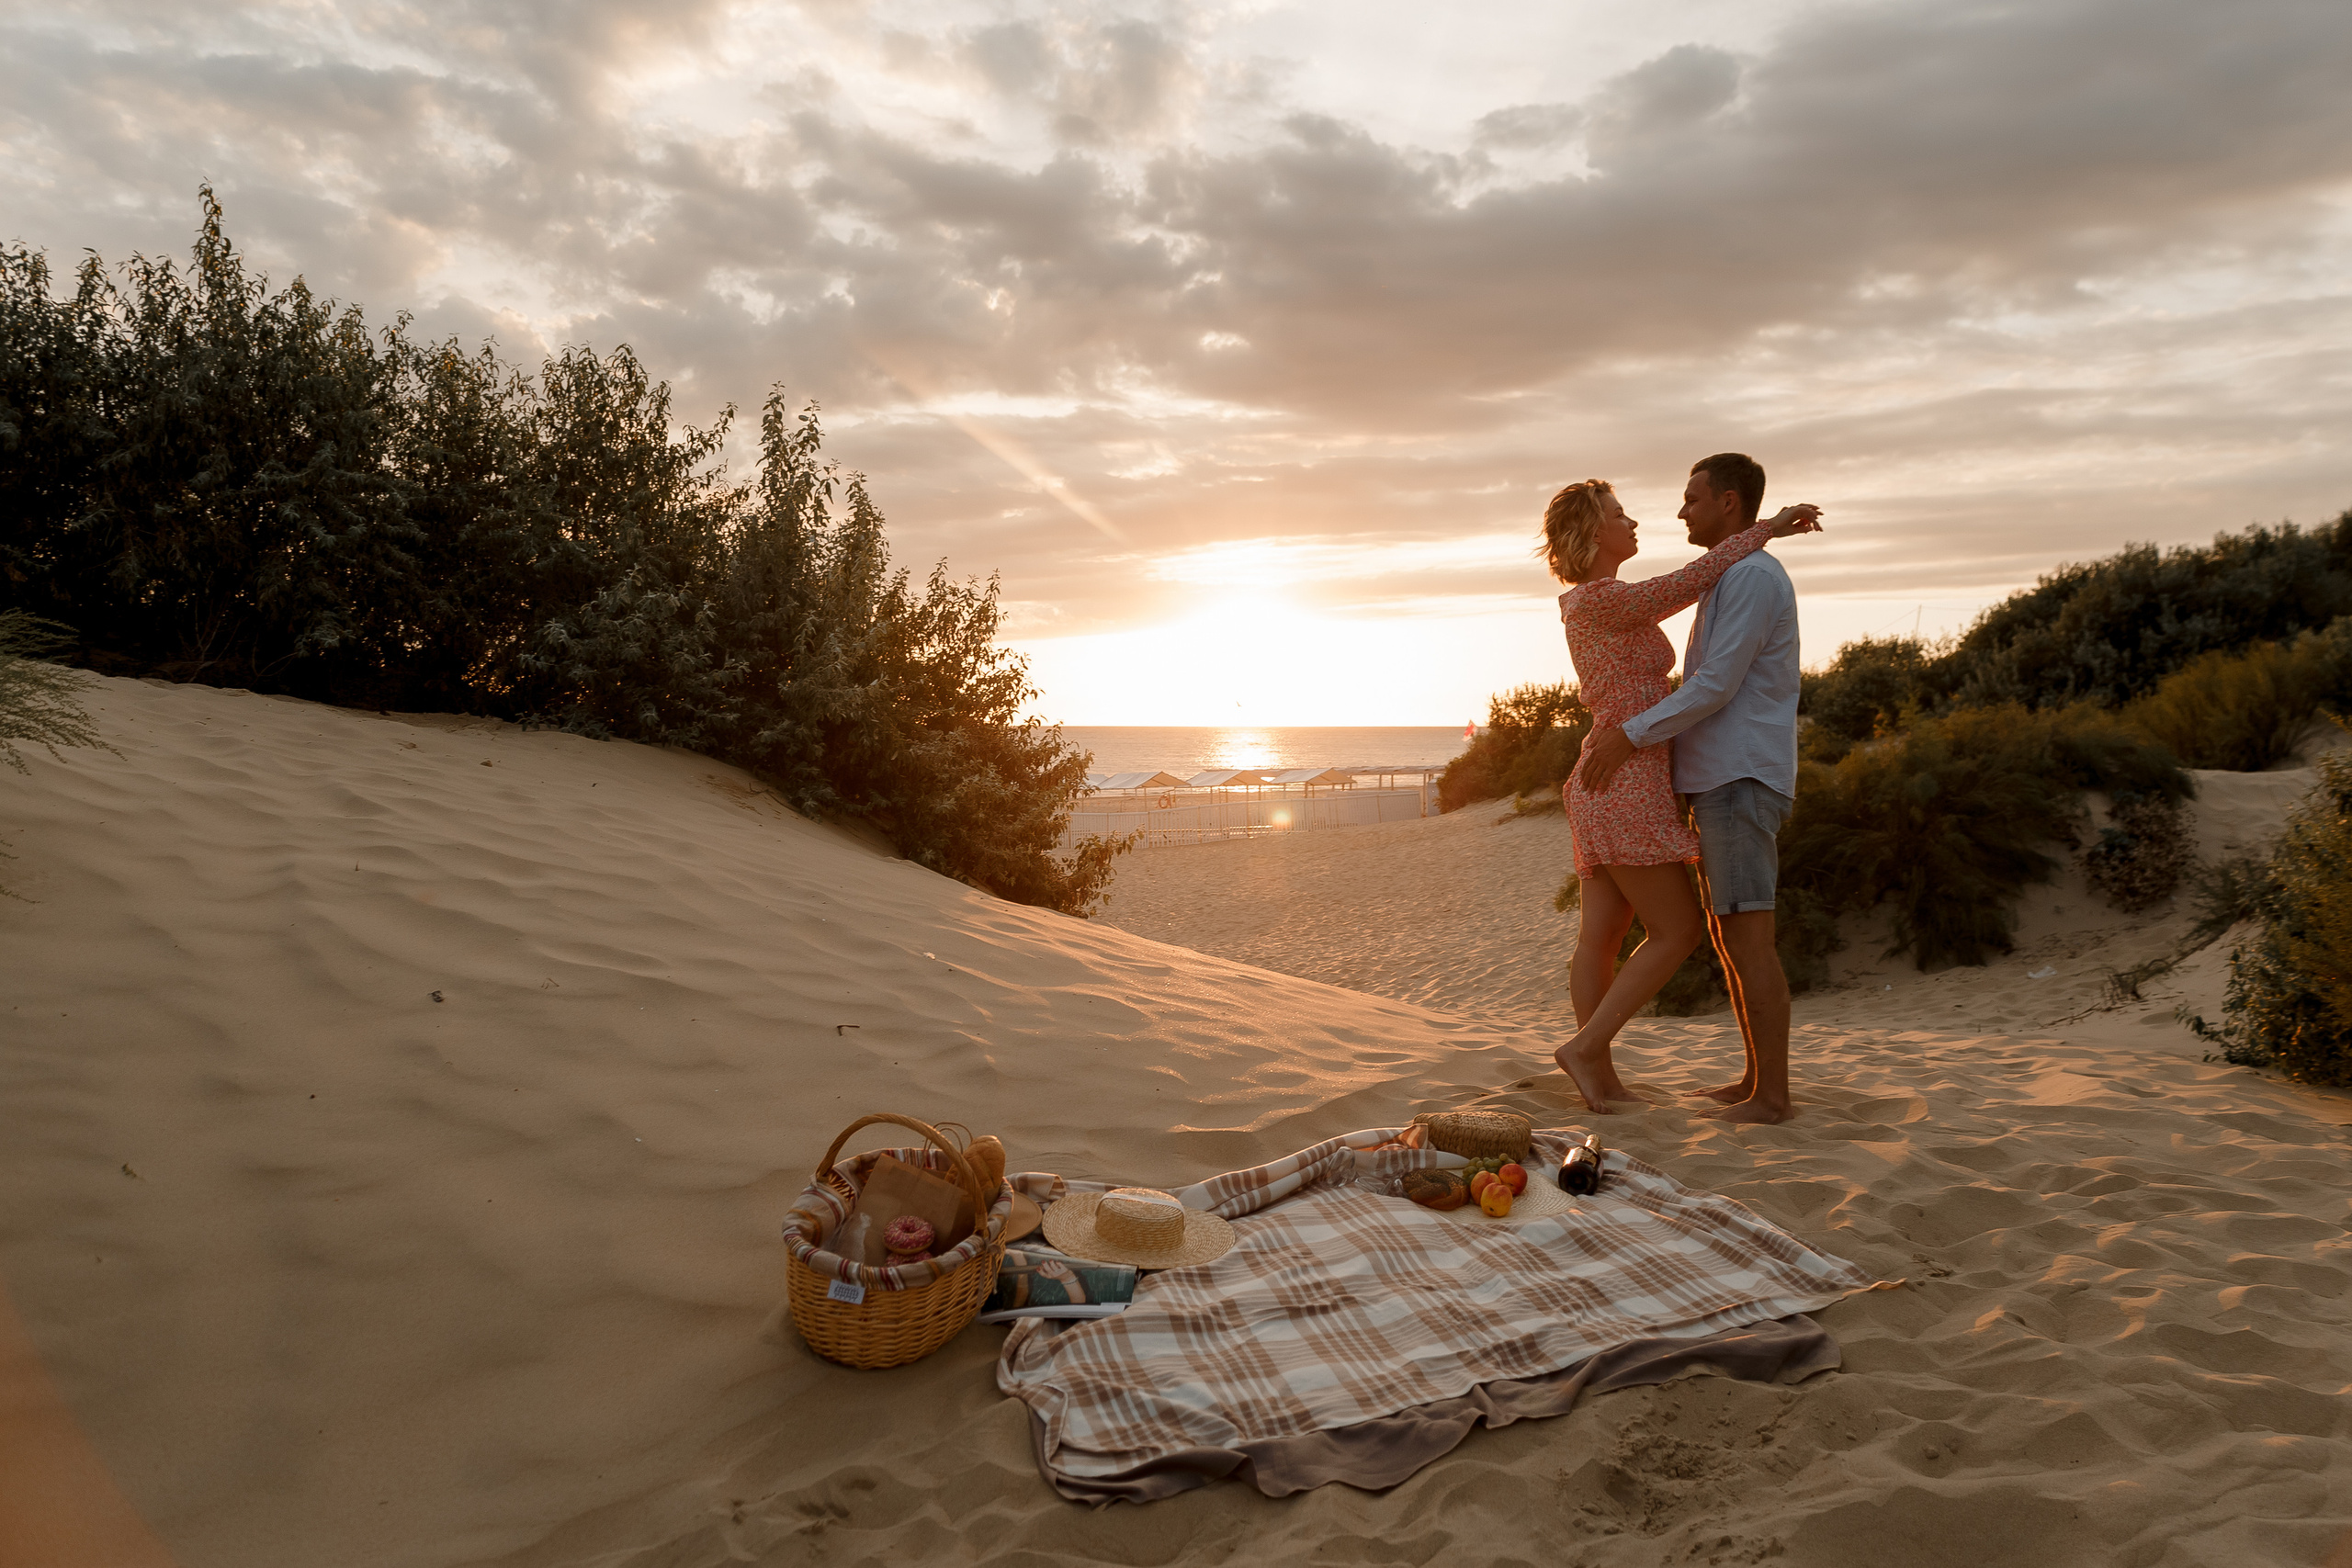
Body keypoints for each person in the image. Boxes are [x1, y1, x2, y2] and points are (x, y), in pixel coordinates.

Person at [1544, 470, 1819, 1115]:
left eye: (1688, 500)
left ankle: (1602, 1080)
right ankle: (1589, 1052)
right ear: (1592, 531)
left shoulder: (1594, 601)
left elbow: (1692, 601)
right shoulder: (1603, 599)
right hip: (1624, 771)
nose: (1638, 521)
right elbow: (1684, 584)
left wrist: (1757, 537)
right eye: (1619, 513)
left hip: (1617, 771)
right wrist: (1767, 529)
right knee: (1678, 932)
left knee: (1602, 937)